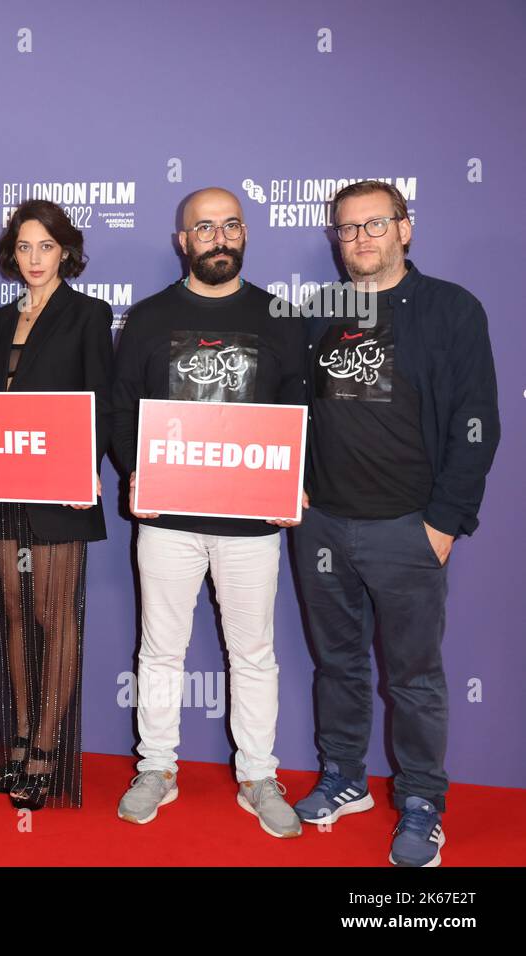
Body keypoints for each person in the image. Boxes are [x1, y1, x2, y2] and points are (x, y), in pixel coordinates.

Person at [292, 180, 499, 867]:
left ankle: (420, 802)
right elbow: (290, 410)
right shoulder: (320, 311)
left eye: (374, 225)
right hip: (323, 527)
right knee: (338, 666)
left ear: (405, 228)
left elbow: (477, 425)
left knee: (413, 678)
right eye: (347, 230)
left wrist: (444, 524)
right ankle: (344, 776)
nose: (360, 240)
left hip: (408, 529)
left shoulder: (450, 309)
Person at [111, 187, 305, 837]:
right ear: (182, 241)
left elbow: (303, 410)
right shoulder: (147, 318)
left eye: (229, 226)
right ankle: (157, 768)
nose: (217, 238)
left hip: (253, 524)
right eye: (203, 229)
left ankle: (258, 775)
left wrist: (293, 480)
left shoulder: (280, 315)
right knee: (161, 650)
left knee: (253, 653)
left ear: (245, 234)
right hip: (167, 518)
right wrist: (132, 471)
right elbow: (121, 408)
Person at [0, 200, 113, 810]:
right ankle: (22, 736)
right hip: (3, 488)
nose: (34, 259)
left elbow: (99, 400)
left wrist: (89, 468)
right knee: (14, 618)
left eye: (45, 247)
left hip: (60, 490)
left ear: (66, 252)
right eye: (24, 247)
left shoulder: (87, 316)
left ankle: (49, 746)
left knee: (54, 619)